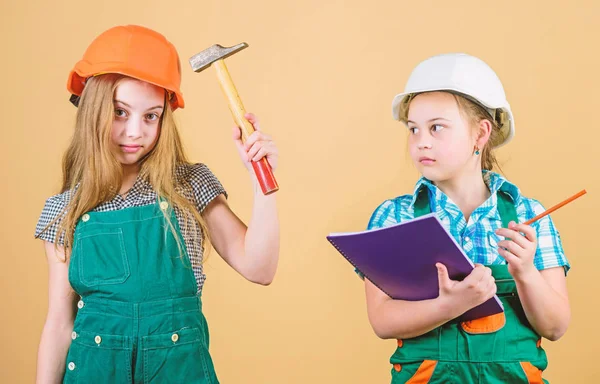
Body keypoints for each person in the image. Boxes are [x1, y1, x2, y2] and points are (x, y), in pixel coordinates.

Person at [34, 24, 280, 383]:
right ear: (92, 110)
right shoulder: (64, 211)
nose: (136, 131)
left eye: (151, 115)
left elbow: (260, 269)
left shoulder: (190, 187)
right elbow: (59, 321)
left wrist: (263, 185)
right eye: (120, 112)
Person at [363, 53, 570, 383]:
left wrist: (526, 272)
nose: (421, 142)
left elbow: (555, 326)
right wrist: (452, 304)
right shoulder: (395, 217)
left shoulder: (530, 216)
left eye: (437, 128)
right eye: (413, 129)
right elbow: (382, 320)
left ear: (480, 133)